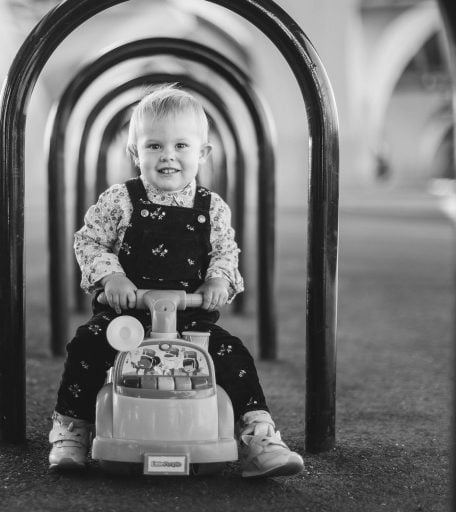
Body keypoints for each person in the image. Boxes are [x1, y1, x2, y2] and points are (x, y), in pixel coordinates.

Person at [48, 84, 304, 478]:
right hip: (126, 318)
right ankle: (72, 429)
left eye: (181, 146)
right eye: (154, 146)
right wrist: (112, 275)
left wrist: (218, 279)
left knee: (233, 357)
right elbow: (89, 240)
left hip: (191, 321)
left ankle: (258, 435)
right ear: (135, 154)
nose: (168, 155)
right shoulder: (120, 199)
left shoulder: (211, 207)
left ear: (202, 154)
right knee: (86, 345)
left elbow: (225, 251)